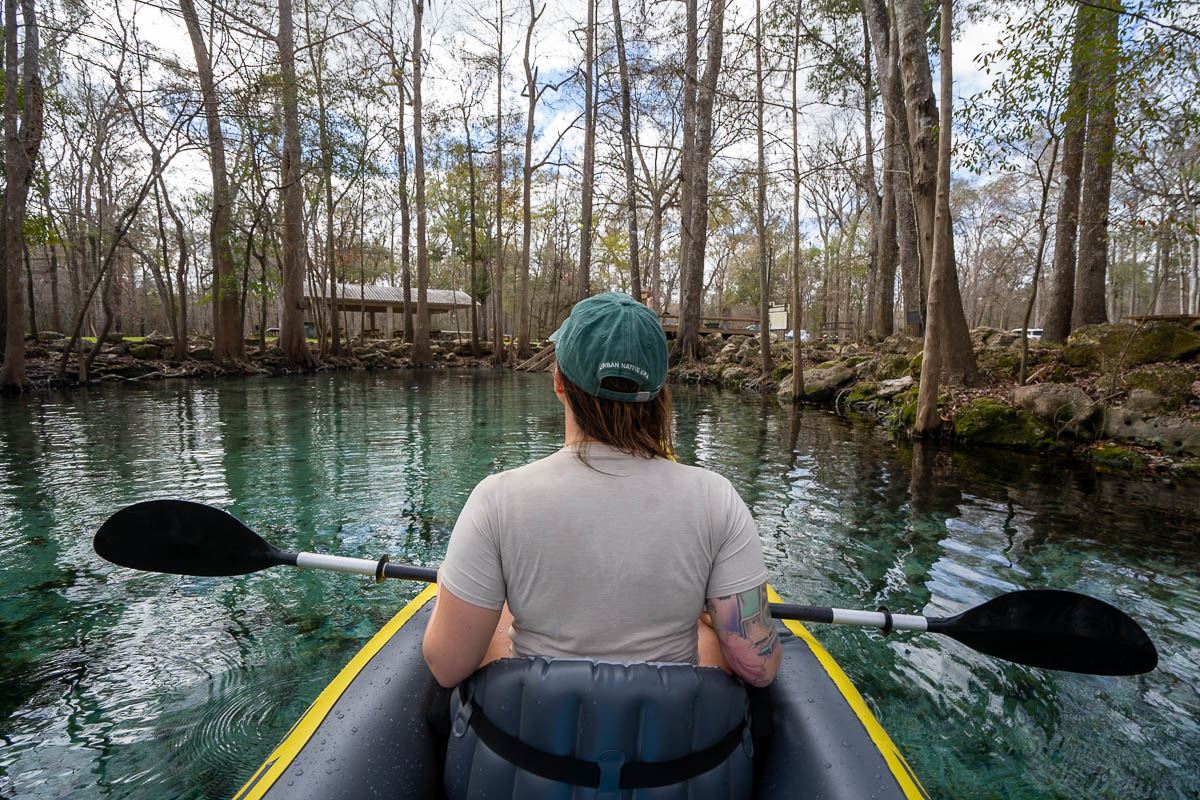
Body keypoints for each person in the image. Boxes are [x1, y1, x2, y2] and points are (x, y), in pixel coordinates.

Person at [422, 292, 780, 689]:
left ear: (558, 382)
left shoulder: (496, 500)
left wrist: (453, 590)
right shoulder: (717, 499)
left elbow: (447, 666)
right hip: (673, 743)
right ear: (661, 393)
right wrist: (708, 621)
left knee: (500, 616)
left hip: (529, 737)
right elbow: (757, 668)